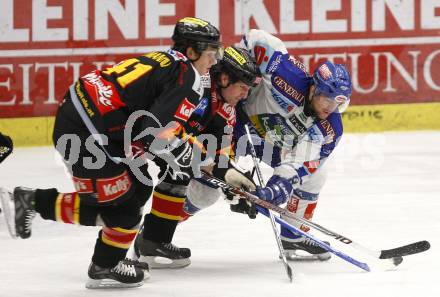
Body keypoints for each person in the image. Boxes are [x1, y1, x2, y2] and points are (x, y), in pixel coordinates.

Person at [0, 17, 223, 289]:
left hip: (92, 121)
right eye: (211, 53)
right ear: (192, 51)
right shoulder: (188, 78)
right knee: (123, 208)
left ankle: (34, 204)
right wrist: (188, 155)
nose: (213, 61)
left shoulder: (167, 60)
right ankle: (102, 263)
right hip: (86, 131)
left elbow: (148, 126)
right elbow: (154, 135)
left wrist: (185, 150)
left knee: (139, 186)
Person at [184, 29, 353, 261]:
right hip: (231, 120)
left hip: (264, 142)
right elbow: (257, 39)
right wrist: (243, 72)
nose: (330, 108)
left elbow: (298, 165)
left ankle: (293, 235)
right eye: (327, 99)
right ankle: (163, 225)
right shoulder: (286, 75)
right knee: (205, 192)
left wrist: (273, 190)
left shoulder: (329, 128)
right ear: (314, 89)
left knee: (316, 175)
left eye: (337, 104)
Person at [133, 46, 262, 268]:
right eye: (242, 87)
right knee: (126, 195)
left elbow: (219, 151)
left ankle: (152, 241)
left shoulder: (226, 108)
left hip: (161, 140)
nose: (245, 95)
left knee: (181, 171)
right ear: (223, 78)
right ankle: (109, 260)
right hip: (129, 133)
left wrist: (232, 179)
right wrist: (216, 167)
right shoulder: (194, 85)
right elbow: (166, 129)